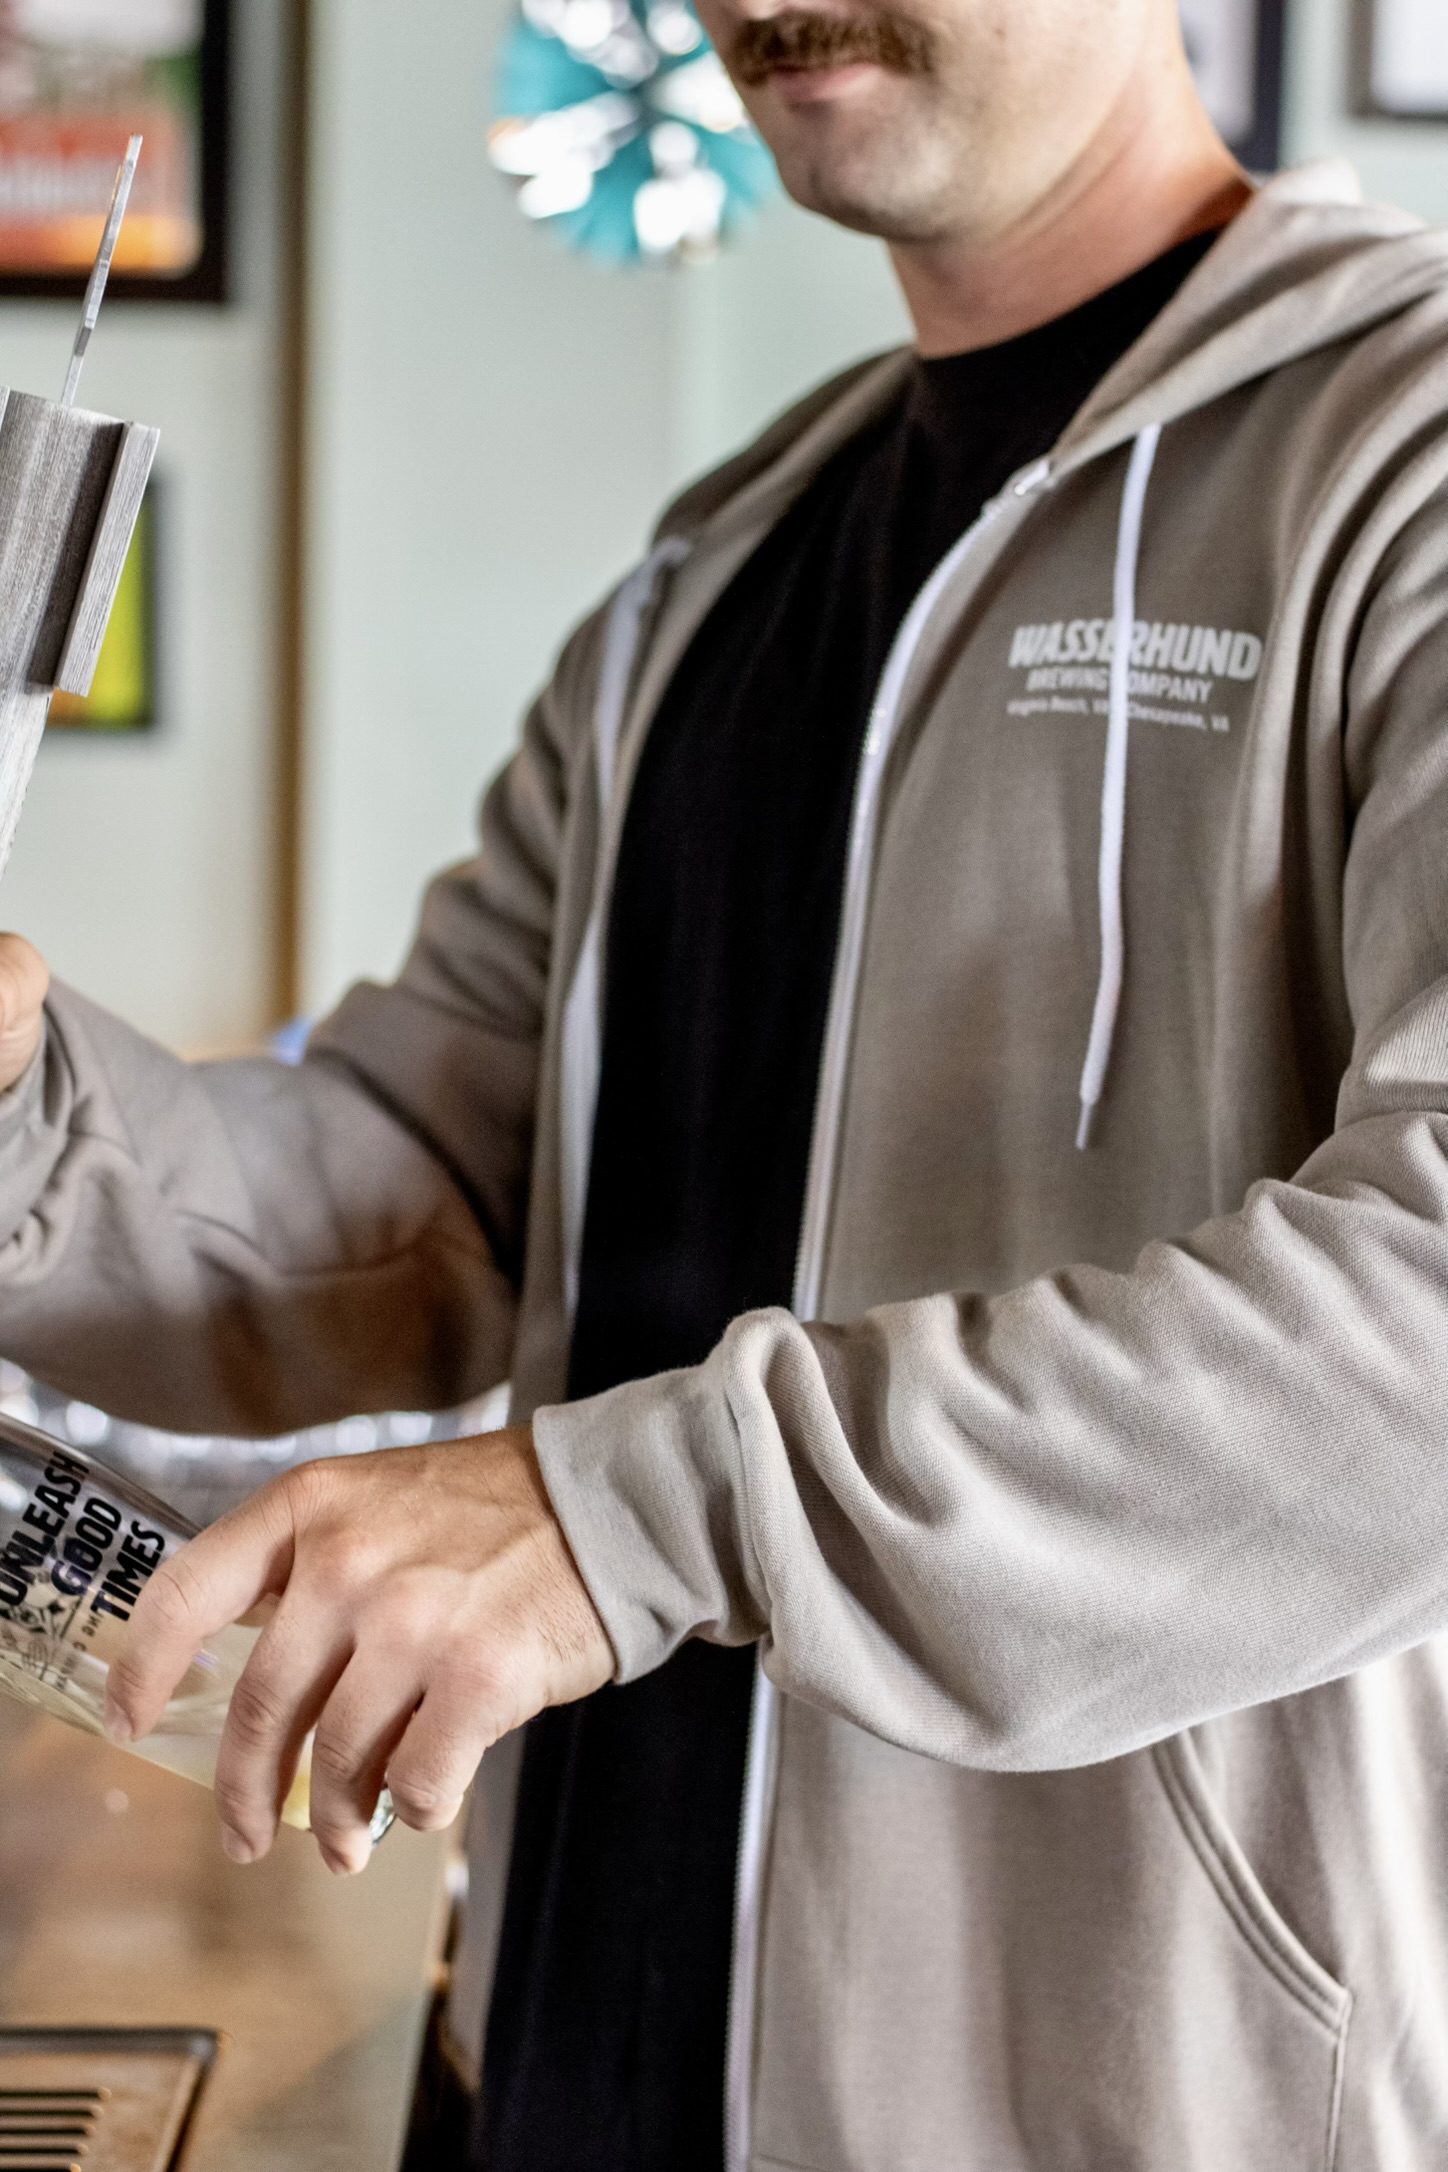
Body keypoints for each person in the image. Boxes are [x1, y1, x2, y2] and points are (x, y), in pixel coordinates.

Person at [0, 0, 1445, 2160]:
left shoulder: (1406, 454)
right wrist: (25, 1115)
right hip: (553, 2057)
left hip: (1098, 2106)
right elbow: (417, 1194)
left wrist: (633, 1515)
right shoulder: (716, 560)